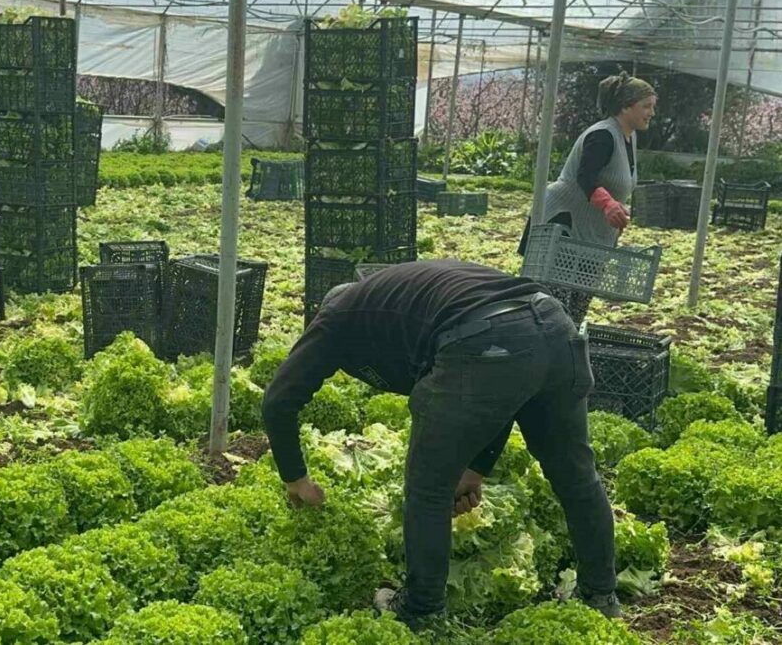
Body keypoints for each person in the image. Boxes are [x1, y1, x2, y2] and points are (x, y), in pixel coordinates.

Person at [261, 260, 620, 630]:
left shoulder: (336, 318)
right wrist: (475, 469)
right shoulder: (400, 300)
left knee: (428, 487)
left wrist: (296, 480)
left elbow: (278, 402)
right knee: (577, 476)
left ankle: (421, 610)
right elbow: (501, 391)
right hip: (554, 327)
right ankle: (600, 596)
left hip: (486, 336)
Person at [519, 72, 657, 324]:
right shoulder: (602, 135)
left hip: (591, 231)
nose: (652, 113)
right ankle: (546, 354)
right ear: (626, 106)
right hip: (563, 225)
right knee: (553, 307)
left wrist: (616, 209)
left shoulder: (628, 136)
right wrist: (608, 204)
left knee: (577, 306)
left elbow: (614, 183)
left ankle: (565, 355)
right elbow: (585, 177)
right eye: (646, 106)